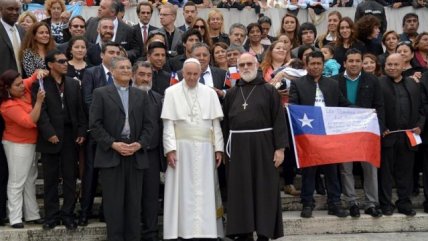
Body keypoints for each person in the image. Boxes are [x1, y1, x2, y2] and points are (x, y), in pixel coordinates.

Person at [89, 56, 154, 241]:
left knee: (134, 206)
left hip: (136, 155)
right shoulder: (101, 93)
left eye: (128, 67)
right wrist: (113, 144)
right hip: (111, 156)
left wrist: (139, 144)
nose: (126, 70)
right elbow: (95, 125)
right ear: (113, 71)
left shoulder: (140, 95)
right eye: (122, 68)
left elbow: (150, 125)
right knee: (114, 206)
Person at [223, 52, 287, 240]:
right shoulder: (232, 93)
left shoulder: (269, 91)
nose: (245, 68)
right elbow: (226, 124)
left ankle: (264, 233)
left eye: (248, 63)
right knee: (240, 190)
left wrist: (280, 148)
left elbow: (279, 120)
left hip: (264, 147)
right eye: (241, 65)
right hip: (238, 149)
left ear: (257, 65)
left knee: (264, 189)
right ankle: (243, 233)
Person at [162, 58, 224, 240]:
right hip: (181, 149)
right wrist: (170, 149)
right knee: (182, 191)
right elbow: (168, 124)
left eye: (195, 74)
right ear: (182, 72)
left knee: (205, 190)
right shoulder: (171, 92)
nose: (191, 77)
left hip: (205, 149)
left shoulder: (210, 93)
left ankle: (206, 231)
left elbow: (216, 124)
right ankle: (182, 230)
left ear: (200, 73)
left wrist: (218, 149)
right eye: (188, 74)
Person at [289, 51, 350, 218]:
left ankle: (335, 204)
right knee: (309, 171)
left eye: (318, 64)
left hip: (329, 133)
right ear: (306, 65)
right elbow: (293, 106)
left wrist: (363, 111)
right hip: (308, 135)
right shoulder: (297, 84)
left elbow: (343, 104)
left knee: (332, 170)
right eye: (312, 64)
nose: (315, 66)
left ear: (323, 65)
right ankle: (307, 203)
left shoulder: (332, 84)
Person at [31, 49, 87, 230]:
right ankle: (51, 216)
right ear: (50, 65)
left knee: (70, 178)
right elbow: (41, 113)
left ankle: (68, 214)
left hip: (70, 137)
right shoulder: (40, 84)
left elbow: (80, 110)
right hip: (50, 138)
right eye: (61, 61)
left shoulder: (73, 83)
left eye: (66, 61)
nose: (65, 64)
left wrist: (81, 132)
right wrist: (49, 133)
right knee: (50, 180)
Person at [333, 48, 385, 218]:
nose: (354, 64)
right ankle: (352, 202)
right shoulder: (335, 81)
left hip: (367, 131)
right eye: (351, 61)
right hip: (344, 131)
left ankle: (371, 203)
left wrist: (379, 128)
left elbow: (380, 106)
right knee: (346, 168)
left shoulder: (373, 80)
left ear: (362, 63)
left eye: (357, 61)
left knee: (370, 167)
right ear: (344, 63)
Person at [79, 42, 121, 226]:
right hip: (96, 133)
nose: (114, 55)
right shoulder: (91, 72)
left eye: (117, 53)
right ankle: (84, 212)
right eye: (111, 52)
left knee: (111, 177)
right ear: (102, 55)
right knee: (90, 175)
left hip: (116, 136)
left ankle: (106, 212)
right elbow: (88, 100)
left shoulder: (122, 74)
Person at [378, 53, 425, 216]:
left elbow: (422, 109)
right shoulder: (379, 83)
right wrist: (381, 127)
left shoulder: (414, 85)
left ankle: (404, 203)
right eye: (389, 64)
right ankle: (385, 203)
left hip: (408, 136)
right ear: (384, 66)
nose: (392, 67)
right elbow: (374, 109)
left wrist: (419, 126)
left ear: (404, 65)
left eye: (395, 64)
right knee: (385, 173)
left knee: (406, 172)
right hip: (387, 135)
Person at [0, 69, 47, 228]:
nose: (22, 86)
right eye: (17, 85)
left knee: (30, 179)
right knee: (17, 181)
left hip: (30, 143)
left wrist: (40, 72)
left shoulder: (22, 88)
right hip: (17, 144)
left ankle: (32, 214)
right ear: (8, 88)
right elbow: (29, 122)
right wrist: (39, 102)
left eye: (21, 82)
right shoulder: (7, 106)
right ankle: (15, 218)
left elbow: (34, 76)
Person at [131, 61, 165, 241]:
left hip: (151, 155)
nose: (145, 79)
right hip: (128, 155)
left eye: (148, 75)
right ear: (133, 75)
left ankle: (151, 233)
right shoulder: (124, 96)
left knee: (151, 197)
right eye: (141, 74)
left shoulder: (159, 99)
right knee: (132, 197)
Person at [0, 0, 26, 226]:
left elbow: (26, 61)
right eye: (10, 9)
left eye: (18, 9)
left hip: (22, 96)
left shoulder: (22, 30)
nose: (15, 13)